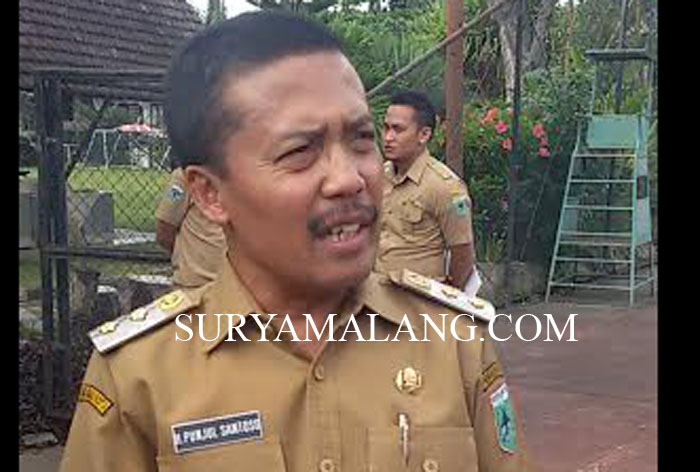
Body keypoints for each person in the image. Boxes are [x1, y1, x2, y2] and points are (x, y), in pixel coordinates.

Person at [59, 11, 535, 472]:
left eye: (361, 139)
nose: (348, 179)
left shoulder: (454, 344)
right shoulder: (139, 379)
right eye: (300, 151)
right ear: (209, 194)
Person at [376, 90, 476, 289]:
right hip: (375, 294)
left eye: (398, 130)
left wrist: (448, 294)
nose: (388, 137)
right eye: (386, 128)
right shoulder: (379, 176)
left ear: (424, 135)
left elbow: (463, 253)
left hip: (417, 299)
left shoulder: (445, 187)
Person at [155, 164, 227, 288]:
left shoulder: (244, 173)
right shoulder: (186, 176)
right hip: (195, 282)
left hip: (236, 282)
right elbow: (164, 230)